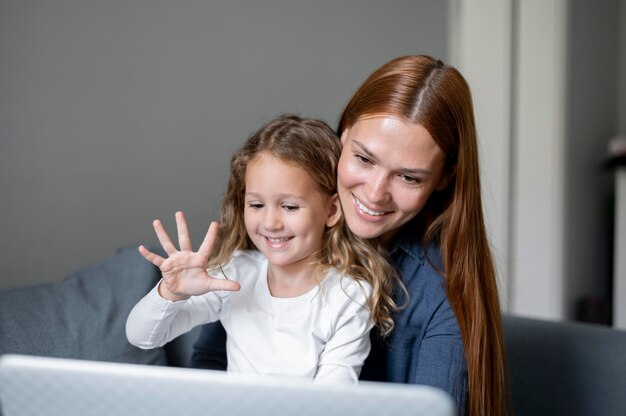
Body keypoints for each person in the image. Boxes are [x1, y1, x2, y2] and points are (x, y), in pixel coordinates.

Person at [191, 56, 510, 415]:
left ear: (444, 178)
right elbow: (211, 360)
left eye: (409, 177)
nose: (374, 194)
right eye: (364, 159)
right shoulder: (280, 229)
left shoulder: (443, 294)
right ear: (343, 134)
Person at [126, 114, 399, 383]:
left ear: (331, 210)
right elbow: (142, 336)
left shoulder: (348, 296)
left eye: (290, 207)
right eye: (256, 205)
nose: (270, 222)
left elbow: (332, 399)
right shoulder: (235, 274)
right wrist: (170, 292)